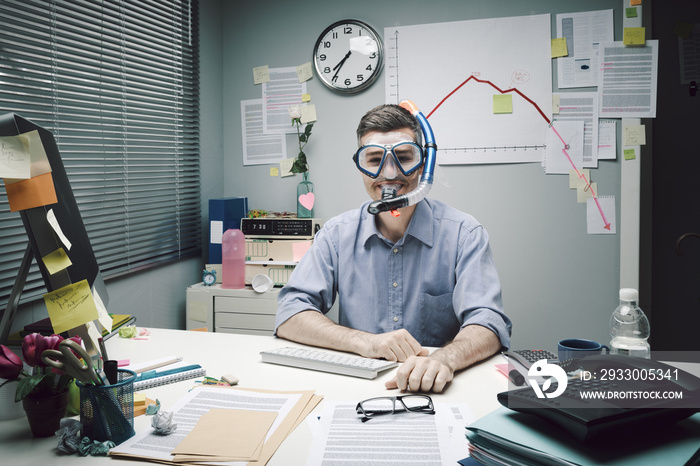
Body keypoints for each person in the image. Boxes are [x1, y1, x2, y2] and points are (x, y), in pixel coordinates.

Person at [275, 104, 511, 393]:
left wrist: (445, 359)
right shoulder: (336, 235)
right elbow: (290, 314)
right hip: (357, 386)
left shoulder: (464, 234)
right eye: (375, 159)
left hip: (436, 388)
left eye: (403, 157)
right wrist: (366, 342)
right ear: (361, 169)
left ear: (423, 164)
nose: (389, 173)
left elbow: (488, 322)